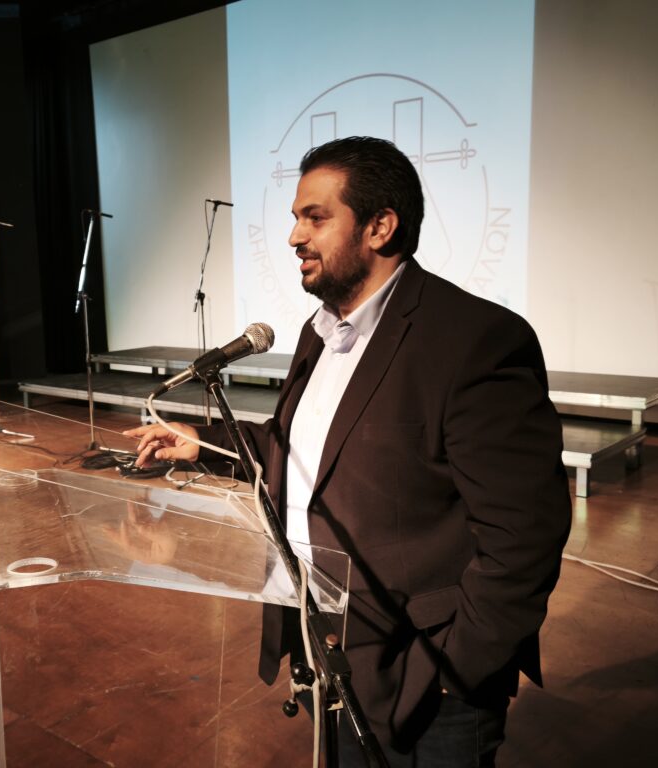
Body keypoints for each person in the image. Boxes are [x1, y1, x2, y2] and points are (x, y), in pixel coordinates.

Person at [126, 136, 571, 767]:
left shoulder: (474, 339)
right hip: (324, 650)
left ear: (380, 227)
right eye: (294, 218)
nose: (294, 237)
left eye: (315, 217)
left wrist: (457, 668)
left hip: (424, 676)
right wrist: (201, 444)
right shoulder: (320, 334)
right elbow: (300, 452)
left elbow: (525, 534)